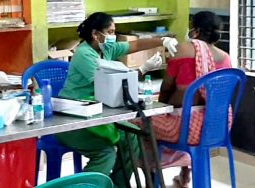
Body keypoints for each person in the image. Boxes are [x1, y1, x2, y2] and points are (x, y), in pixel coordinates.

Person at [54, 12, 178, 188]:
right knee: (105, 153)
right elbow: (112, 84)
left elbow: (135, 44)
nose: (113, 36)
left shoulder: (106, 48)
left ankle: (119, 184)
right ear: (96, 34)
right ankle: (85, 186)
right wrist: (143, 69)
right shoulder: (84, 54)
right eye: (110, 32)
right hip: (73, 116)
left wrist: (162, 40)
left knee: (131, 137)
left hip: (98, 112)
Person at [131, 11, 232, 187]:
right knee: (181, 122)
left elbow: (167, 87)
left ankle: (151, 178)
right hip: (216, 126)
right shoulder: (226, 58)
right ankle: (186, 172)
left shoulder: (184, 49)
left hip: (185, 128)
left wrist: (159, 107)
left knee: (137, 124)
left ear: (196, 30)